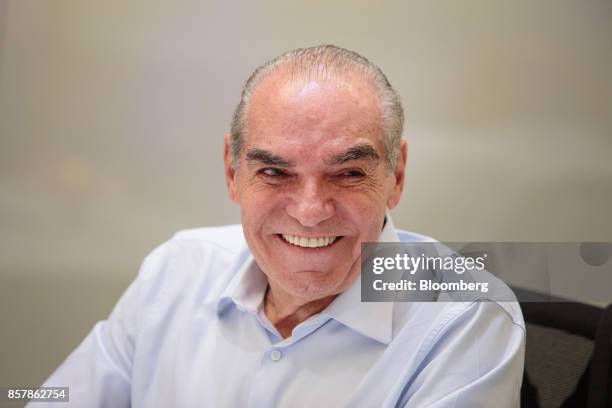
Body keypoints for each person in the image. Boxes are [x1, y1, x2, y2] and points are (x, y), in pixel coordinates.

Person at [34, 45, 525, 407]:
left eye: (349, 173)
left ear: (395, 176)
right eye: (274, 171)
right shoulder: (177, 268)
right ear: (233, 172)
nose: (310, 211)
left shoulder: (464, 315)